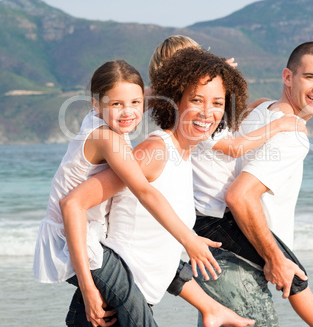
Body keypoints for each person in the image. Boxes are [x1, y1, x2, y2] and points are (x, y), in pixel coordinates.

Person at [60, 49, 255, 326]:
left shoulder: (183, 157)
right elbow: (74, 202)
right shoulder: (154, 152)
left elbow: (158, 252)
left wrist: (210, 307)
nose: (207, 112)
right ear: (174, 101)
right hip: (108, 307)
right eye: (196, 100)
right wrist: (89, 286)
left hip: (134, 303)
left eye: (217, 102)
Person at [194, 41, 313, 326]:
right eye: (311, 77)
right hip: (238, 263)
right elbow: (240, 196)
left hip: (213, 256)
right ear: (287, 77)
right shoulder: (292, 135)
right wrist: (275, 258)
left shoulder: (258, 110)